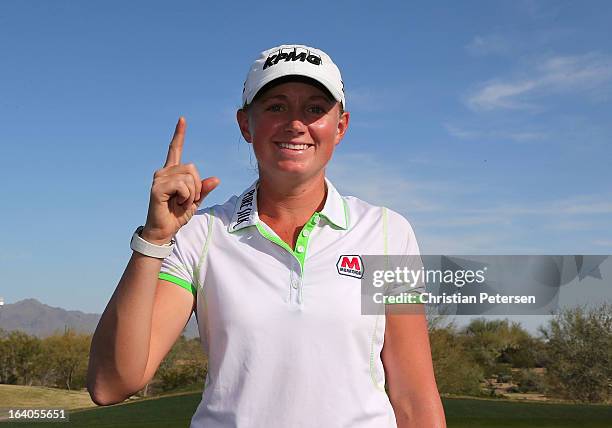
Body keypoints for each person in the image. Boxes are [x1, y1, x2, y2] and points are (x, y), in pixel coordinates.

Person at [87, 44, 446, 427]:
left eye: (314, 108)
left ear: (339, 126)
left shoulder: (388, 233)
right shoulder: (202, 235)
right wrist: (154, 240)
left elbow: (413, 395)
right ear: (246, 124)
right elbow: (111, 384)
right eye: (276, 106)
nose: (295, 123)